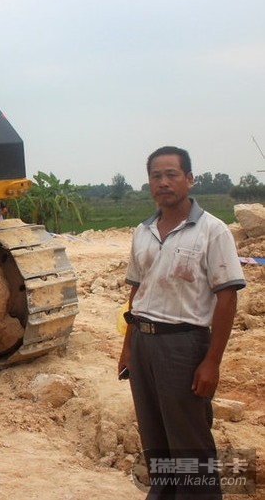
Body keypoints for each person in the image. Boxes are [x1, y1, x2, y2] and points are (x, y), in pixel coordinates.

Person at [118, 146, 246, 499]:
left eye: (171, 174)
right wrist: (128, 347)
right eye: (156, 176)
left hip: (183, 346)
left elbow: (227, 298)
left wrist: (212, 362)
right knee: (154, 437)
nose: (163, 182)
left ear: (189, 179)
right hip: (143, 343)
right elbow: (137, 292)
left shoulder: (212, 231)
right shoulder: (143, 231)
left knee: (189, 441)